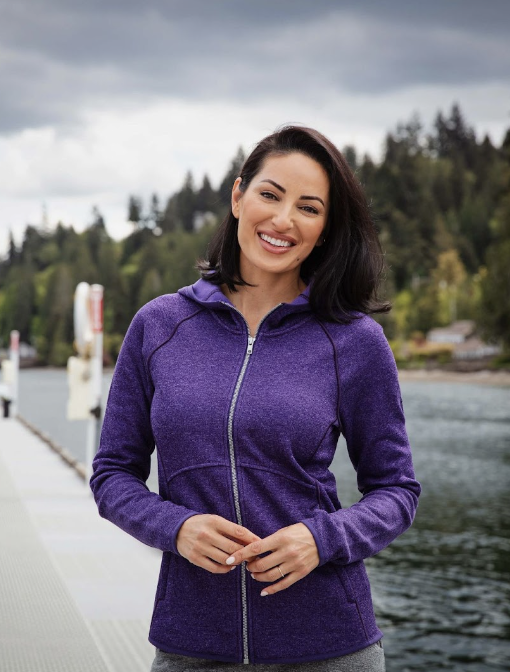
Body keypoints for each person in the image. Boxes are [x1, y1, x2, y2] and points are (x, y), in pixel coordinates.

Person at [90, 125, 420, 670]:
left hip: (328, 646)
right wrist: (176, 527)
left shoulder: (354, 341)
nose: (284, 220)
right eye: (270, 195)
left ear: (325, 228)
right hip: (193, 644)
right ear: (239, 196)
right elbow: (112, 476)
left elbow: (396, 490)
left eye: (308, 208)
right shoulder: (160, 326)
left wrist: (322, 539)